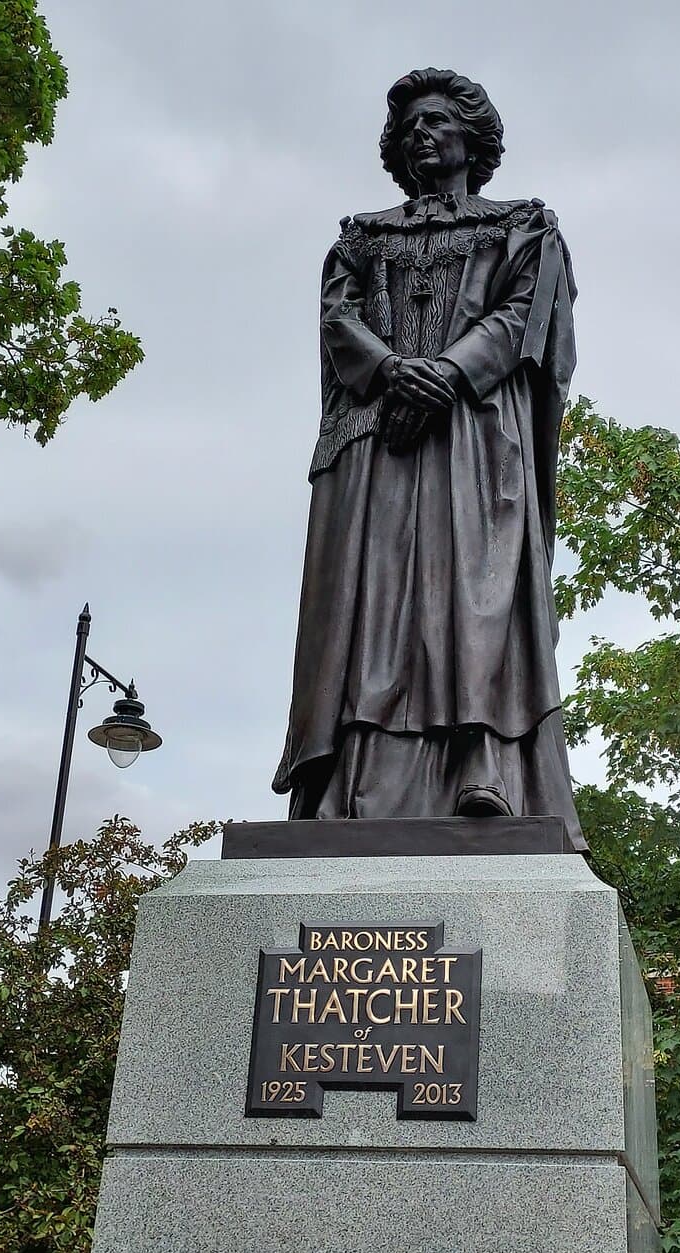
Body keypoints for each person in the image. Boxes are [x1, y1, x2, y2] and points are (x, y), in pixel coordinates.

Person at [272, 67, 586, 849]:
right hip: (377, 446)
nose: (420, 132)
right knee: (369, 609)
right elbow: (337, 319)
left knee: (471, 603)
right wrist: (389, 370)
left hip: (475, 442)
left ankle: (483, 768)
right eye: (409, 124)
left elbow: (528, 318)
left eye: (437, 119)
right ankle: (354, 787)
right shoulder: (361, 236)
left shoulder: (523, 226)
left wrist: (447, 373)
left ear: (472, 139)